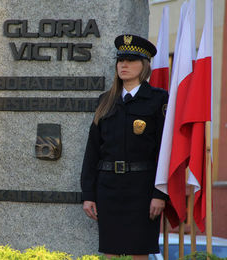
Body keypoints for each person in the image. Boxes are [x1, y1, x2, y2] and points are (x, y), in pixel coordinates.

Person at [80, 34, 168, 259]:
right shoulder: (105, 101)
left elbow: (163, 150)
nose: (124, 65)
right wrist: (88, 194)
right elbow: (92, 151)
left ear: (144, 65)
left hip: (142, 189)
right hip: (108, 189)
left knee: (139, 252)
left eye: (131, 60)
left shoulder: (158, 100)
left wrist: (159, 194)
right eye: (120, 61)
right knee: (111, 252)